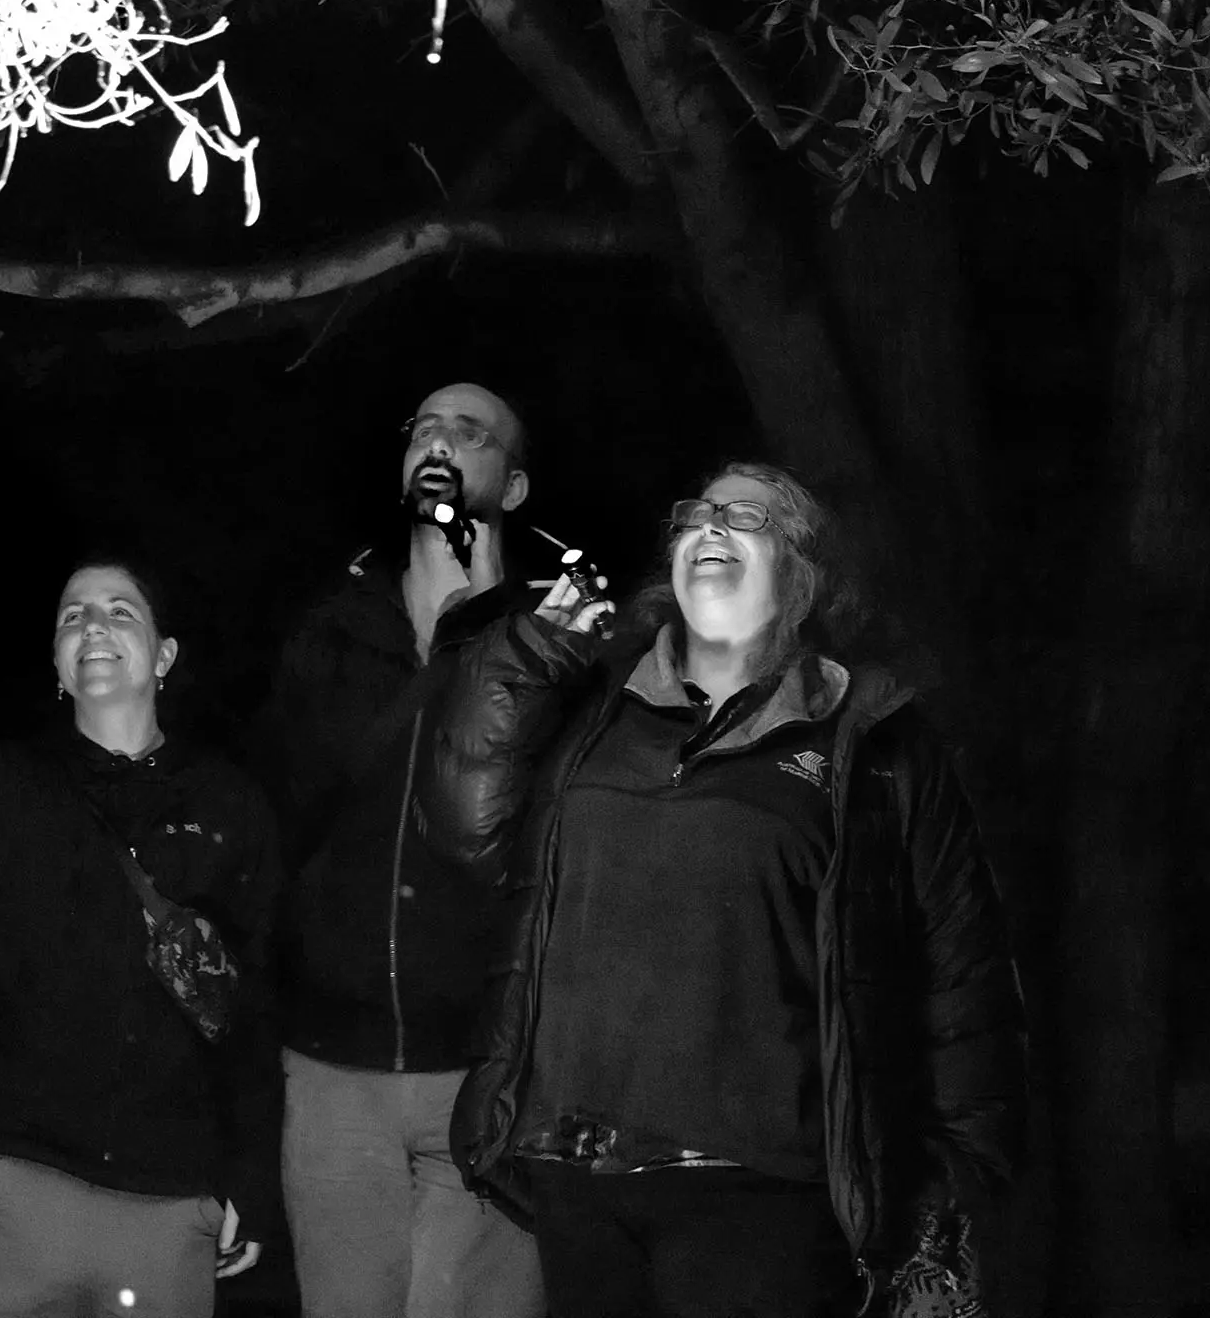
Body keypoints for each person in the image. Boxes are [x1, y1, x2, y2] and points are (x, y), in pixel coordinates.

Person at [419, 463, 1025, 1318]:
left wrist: (954, 1182)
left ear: (804, 576)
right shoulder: (597, 701)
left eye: (749, 517)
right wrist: (531, 655)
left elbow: (961, 964)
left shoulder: (871, 739)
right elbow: (464, 826)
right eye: (697, 514)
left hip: (761, 1182)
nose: (711, 526)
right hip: (575, 1163)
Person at [0, 555, 281, 1318]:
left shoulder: (231, 803)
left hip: (170, 1202)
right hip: (20, 1190)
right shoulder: (8, 786)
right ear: (59, 668)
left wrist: (253, 1180)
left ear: (164, 658)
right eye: (73, 615)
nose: (93, 624)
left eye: (120, 611)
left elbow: (255, 1007)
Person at [249, 382, 547, 1318]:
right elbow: (273, 822)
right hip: (335, 1073)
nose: (442, 442)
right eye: (424, 425)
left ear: (515, 482)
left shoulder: (555, 641)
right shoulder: (330, 630)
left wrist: (492, 632)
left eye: (472, 432)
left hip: (489, 1075)